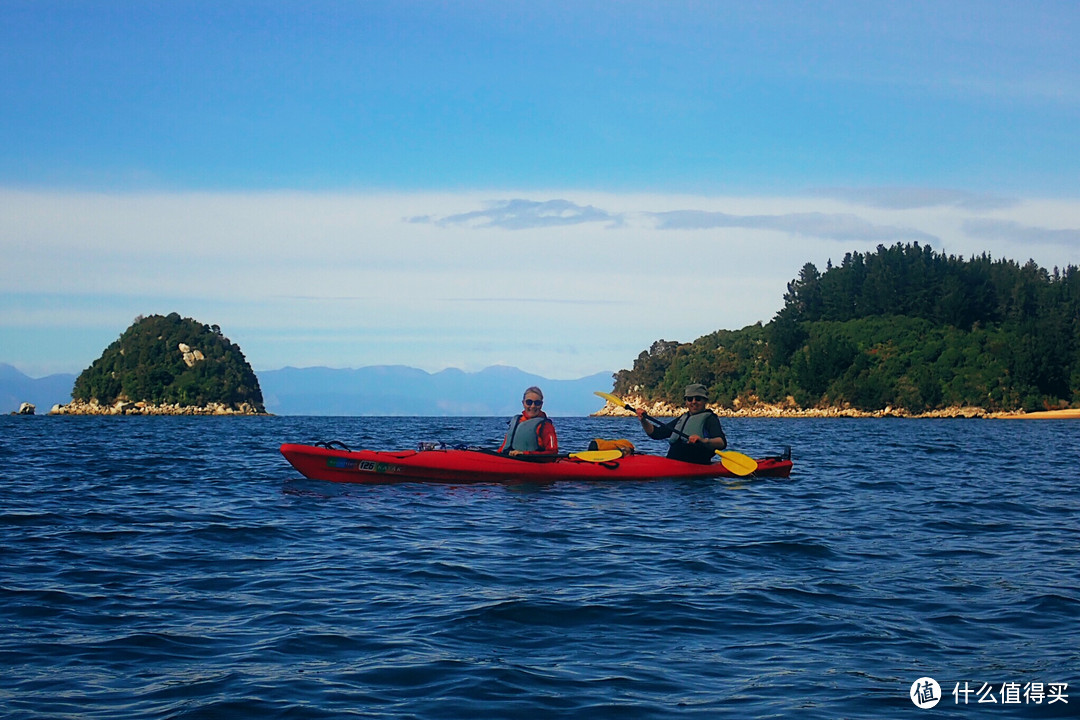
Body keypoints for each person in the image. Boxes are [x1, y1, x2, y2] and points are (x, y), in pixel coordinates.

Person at [637, 383, 726, 464]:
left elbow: (721, 443)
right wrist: (643, 420)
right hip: (673, 465)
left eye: (698, 399)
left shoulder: (710, 419)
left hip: (696, 468)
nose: (693, 402)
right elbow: (656, 433)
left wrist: (703, 440)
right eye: (690, 399)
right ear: (686, 402)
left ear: (705, 401)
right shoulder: (683, 418)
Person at [498, 386, 558, 456]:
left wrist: (525, 453)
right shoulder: (516, 422)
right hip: (511, 460)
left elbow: (552, 453)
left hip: (534, 462)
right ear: (523, 403)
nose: (532, 406)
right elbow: (502, 448)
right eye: (529, 402)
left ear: (541, 405)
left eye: (537, 403)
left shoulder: (546, 426)